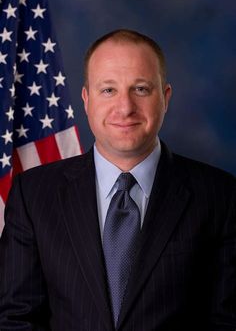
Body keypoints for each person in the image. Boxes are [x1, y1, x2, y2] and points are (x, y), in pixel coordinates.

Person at [0, 29, 235, 331]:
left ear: (165, 98)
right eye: (108, 90)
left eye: (140, 89)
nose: (125, 108)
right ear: (86, 99)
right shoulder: (33, 195)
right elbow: (15, 319)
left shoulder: (221, 196)